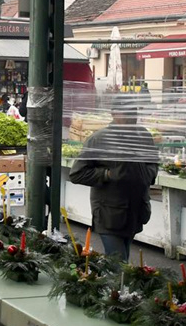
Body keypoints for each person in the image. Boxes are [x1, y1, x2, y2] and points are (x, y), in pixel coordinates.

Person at [68, 98, 159, 262]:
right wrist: (107, 174)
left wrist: (146, 175)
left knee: (123, 260)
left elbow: (153, 163)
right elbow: (77, 173)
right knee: (118, 263)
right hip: (109, 214)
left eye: (134, 112)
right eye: (127, 113)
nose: (132, 117)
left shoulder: (143, 136)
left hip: (135, 211)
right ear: (114, 114)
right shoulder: (99, 139)